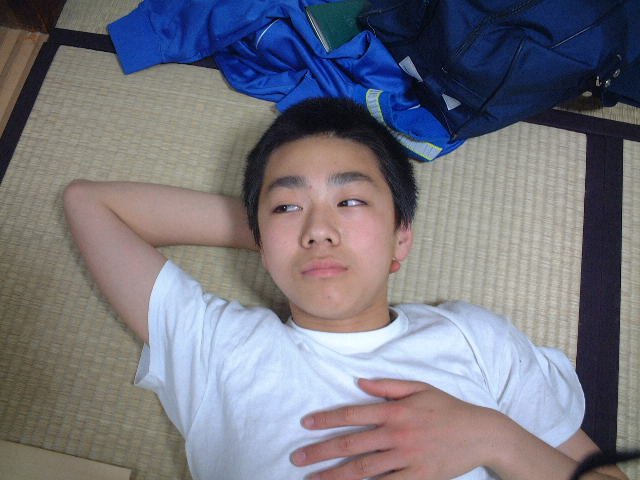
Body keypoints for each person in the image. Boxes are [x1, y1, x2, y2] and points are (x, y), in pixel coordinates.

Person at [63, 97, 626, 480]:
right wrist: (273, 233)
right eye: (287, 206)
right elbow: (89, 204)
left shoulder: (477, 340)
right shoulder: (216, 347)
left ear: (401, 240)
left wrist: (494, 438)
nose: (319, 229)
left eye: (350, 200)